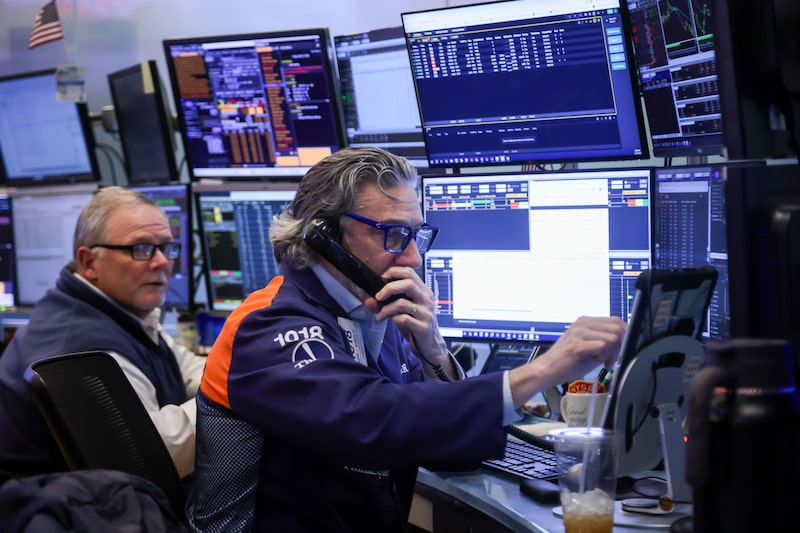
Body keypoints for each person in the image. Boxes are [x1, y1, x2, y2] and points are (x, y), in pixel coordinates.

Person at [188, 147, 626, 531]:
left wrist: (433, 352)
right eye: (394, 234)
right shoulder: (270, 324)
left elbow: (451, 450)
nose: (414, 257)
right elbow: (373, 419)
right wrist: (540, 372)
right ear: (324, 233)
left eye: (417, 234)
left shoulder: (375, 313)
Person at [0, 186, 205, 479]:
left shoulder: (108, 311)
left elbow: (181, 364)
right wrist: (239, 392)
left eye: (167, 247)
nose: (161, 262)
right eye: (141, 248)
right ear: (89, 262)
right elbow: (155, 457)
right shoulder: (85, 349)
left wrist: (235, 374)